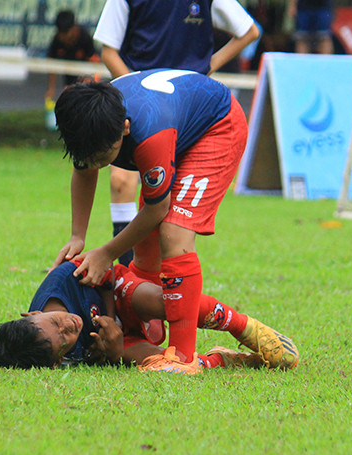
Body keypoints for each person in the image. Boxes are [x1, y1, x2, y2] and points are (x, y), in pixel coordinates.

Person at [50, 71, 297, 373]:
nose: (98, 163)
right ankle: (154, 329)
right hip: (178, 131)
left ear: (125, 128)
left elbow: (157, 209)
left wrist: (106, 253)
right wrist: (78, 236)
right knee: (146, 248)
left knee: (173, 233)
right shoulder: (88, 121)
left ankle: (184, 356)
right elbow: (85, 169)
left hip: (216, 129)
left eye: (104, 155)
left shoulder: (150, 134)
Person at [92, 0, 259, 266]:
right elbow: (109, 53)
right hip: (136, 111)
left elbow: (249, 32)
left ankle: (164, 281)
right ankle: (123, 271)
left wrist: (205, 69)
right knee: (121, 184)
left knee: (173, 224)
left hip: (187, 113)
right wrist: (140, 94)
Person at [0, 259, 298, 372]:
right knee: (164, 364)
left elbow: (106, 272)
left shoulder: (62, 279)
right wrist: (112, 352)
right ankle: (225, 360)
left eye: (57, 322)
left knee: (163, 301)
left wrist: (110, 319)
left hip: (123, 296)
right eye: (66, 339)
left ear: (32, 312)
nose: (70, 326)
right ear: (57, 361)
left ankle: (245, 327)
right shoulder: (52, 354)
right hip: (122, 337)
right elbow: (102, 356)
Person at [44, 10, 99, 104]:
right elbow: (51, 65)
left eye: (66, 33)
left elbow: (95, 62)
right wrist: (51, 89)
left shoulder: (85, 37)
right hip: (69, 81)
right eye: (61, 34)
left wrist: (94, 86)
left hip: (86, 81)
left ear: (74, 28)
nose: (63, 37)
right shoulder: (57, 40)